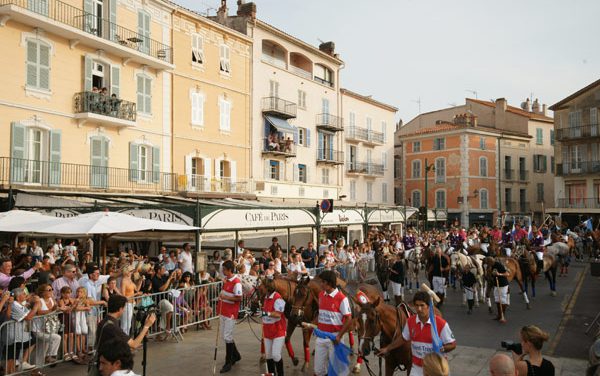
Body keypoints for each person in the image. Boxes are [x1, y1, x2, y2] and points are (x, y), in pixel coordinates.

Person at [377, 291, 456, 376]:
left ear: (429, 306)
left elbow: (452, 345)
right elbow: (403, 338)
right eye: (417, 306)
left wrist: (441, 348)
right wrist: (388, 348)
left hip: (436, 368)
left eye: (422, 305)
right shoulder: (410, 322)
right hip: (417, 368)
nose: (419, 309)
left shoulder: (441, 324)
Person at [313, 270, 353, 376]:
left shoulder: (342, 298)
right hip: (321, 337)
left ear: (329, 283)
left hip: (335, 338)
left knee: (337, 372)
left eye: (322, 282)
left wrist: (339, 336)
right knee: (318, 371)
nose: (320, 284)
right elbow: (321, 313)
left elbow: (348, 319)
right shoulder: (321, 295)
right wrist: (313, 323)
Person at [217, 260, 242, 373]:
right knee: (225, 336)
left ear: (230, 270)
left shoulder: (236, 282)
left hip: (231, 313)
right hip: (223, 311)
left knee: (227, 336)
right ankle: (236, 355)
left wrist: (226, 298)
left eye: (224, 269)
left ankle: (228, 362)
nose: (223, 271)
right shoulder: (226, 280)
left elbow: (239, 298)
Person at [261, 276, 287, 376]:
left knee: (276, 355)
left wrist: (265, 314)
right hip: (267, 331)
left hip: (278, 331)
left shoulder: (278, 297)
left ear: (267, 287)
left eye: (262, 285)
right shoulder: (266, 297)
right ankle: (272, 374)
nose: (261, 287)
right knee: (268, 356)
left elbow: (278, 314)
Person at [492, 258, 510, 324]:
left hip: (503, 284)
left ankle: (503, 315)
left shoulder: (499, 265)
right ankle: (499, 315)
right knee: (497, 300)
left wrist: (499, 274)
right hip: (496, 285)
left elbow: (507, 274)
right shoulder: (490, 266)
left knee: (502, 300)